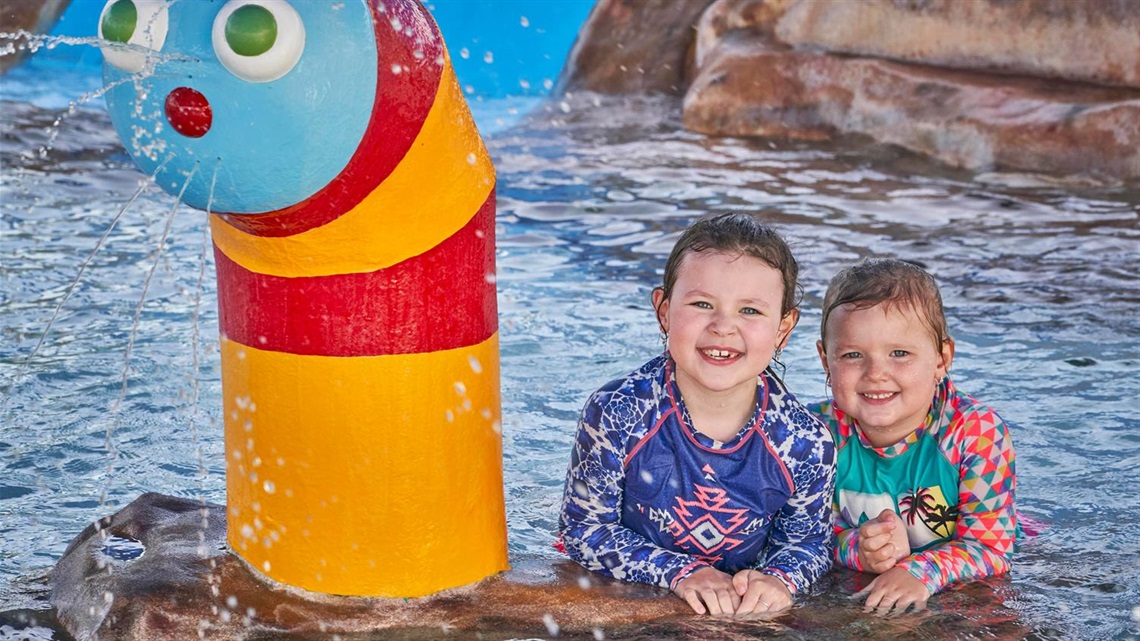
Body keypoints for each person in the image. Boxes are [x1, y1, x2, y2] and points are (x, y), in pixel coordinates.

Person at [558, 212, 836, 617]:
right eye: (702, 304)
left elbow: (807, 543)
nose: (723, 326)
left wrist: (778, 579)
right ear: (664, 311)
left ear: (783, 328)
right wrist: (681, 572)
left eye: (751, 311)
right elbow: (583, 531)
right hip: (638, 592)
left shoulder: (804, 442)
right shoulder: (619, 411)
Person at [810, 258, 1018, 614]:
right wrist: (856, 550)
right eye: (853, 355)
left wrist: (920, 571)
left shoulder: (975, 432)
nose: (876, 373)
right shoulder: (815, 434)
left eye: (900, 353)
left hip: (957, 555)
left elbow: (992, 550)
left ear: (941, 359)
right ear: (826, 361)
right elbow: (801, 536)